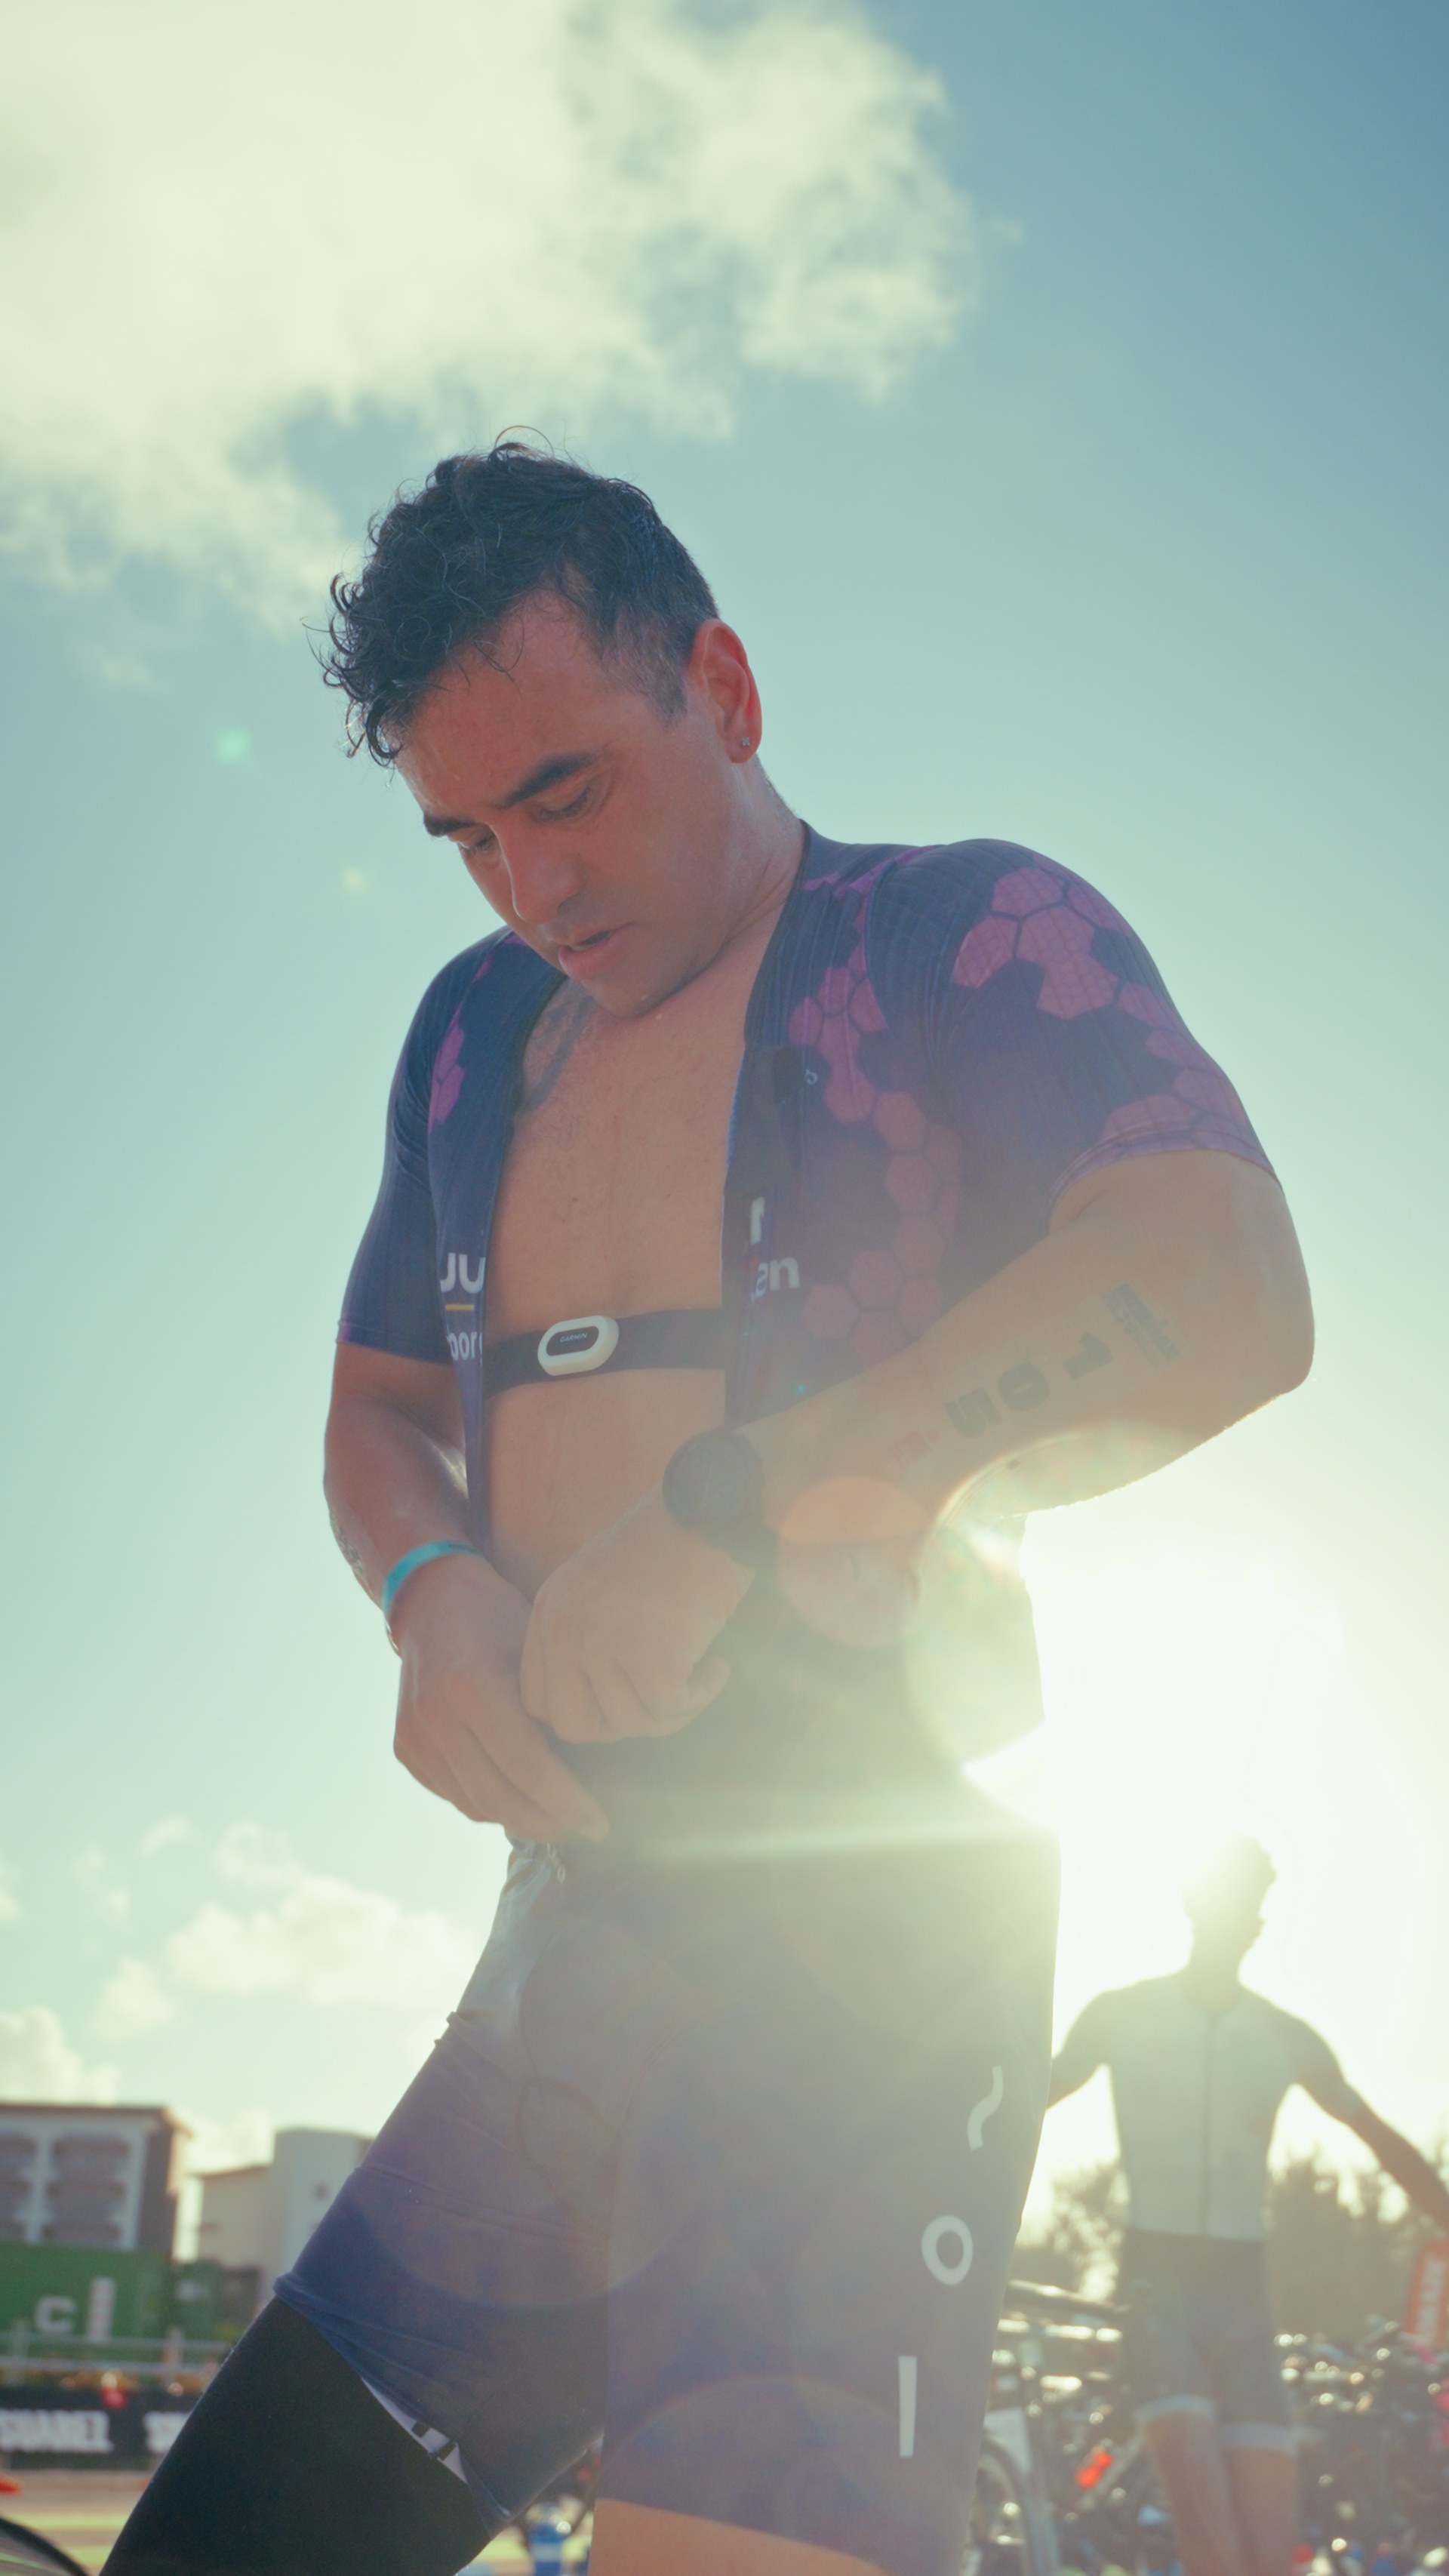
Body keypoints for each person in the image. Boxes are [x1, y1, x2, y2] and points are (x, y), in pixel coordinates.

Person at [106, 442, 1312, 2576]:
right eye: (468, 836)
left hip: (863, 1921)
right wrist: (429, 1587)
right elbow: (377, 1410)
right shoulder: (470, 1038)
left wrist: (739, 1496)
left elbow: (1225, 1276)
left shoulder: (959, 931)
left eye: (566, 791)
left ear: (726, 689)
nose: (529, 883)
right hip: (560, 1946)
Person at [1047, 1837, 1449, 2576]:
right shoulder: (1120, 2015)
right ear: (1191, 1903)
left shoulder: (1286, 2037)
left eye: (1251, 1907)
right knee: (1212, 2543)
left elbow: (1382, 2140)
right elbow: (1026, 2100)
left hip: (1243, 2295)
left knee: (1270, 2557)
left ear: (1261, 1923)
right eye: (1227, 1902)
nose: (1239, 1920)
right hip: (1158, 2283)